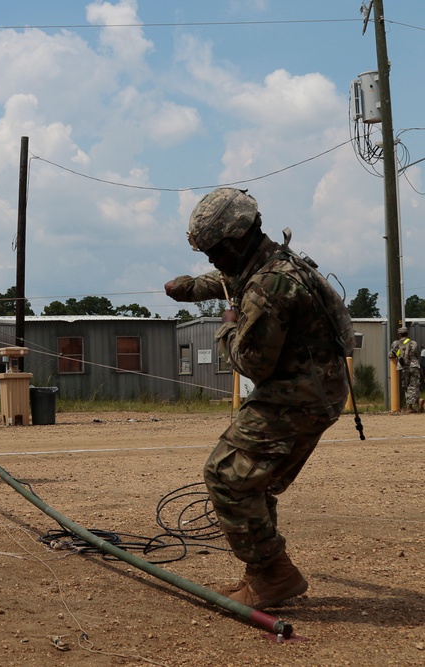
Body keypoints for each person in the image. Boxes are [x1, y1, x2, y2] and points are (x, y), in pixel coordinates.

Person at [164, 188, 354, 609]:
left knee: (228, 475)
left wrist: (228, 325)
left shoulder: (270, 284)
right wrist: (189, 288)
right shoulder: (267, 263)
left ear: (236, 241)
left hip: (297, 395)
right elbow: (226, 281)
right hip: (311, 390)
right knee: (255, 481)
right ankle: (261, 575)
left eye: (215, 253)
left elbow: (251, 363)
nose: (212, 261)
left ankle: (274, 572)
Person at [388, 326, 421, 413]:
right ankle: (417, 402)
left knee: (406, 386)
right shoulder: (413, 343)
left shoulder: (396, 343)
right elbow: (418, 354)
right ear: (407, 334)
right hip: (414, 366)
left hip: (403, 367)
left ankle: (410, 406)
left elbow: (391, 354)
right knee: (414, 386)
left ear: (399, 335)